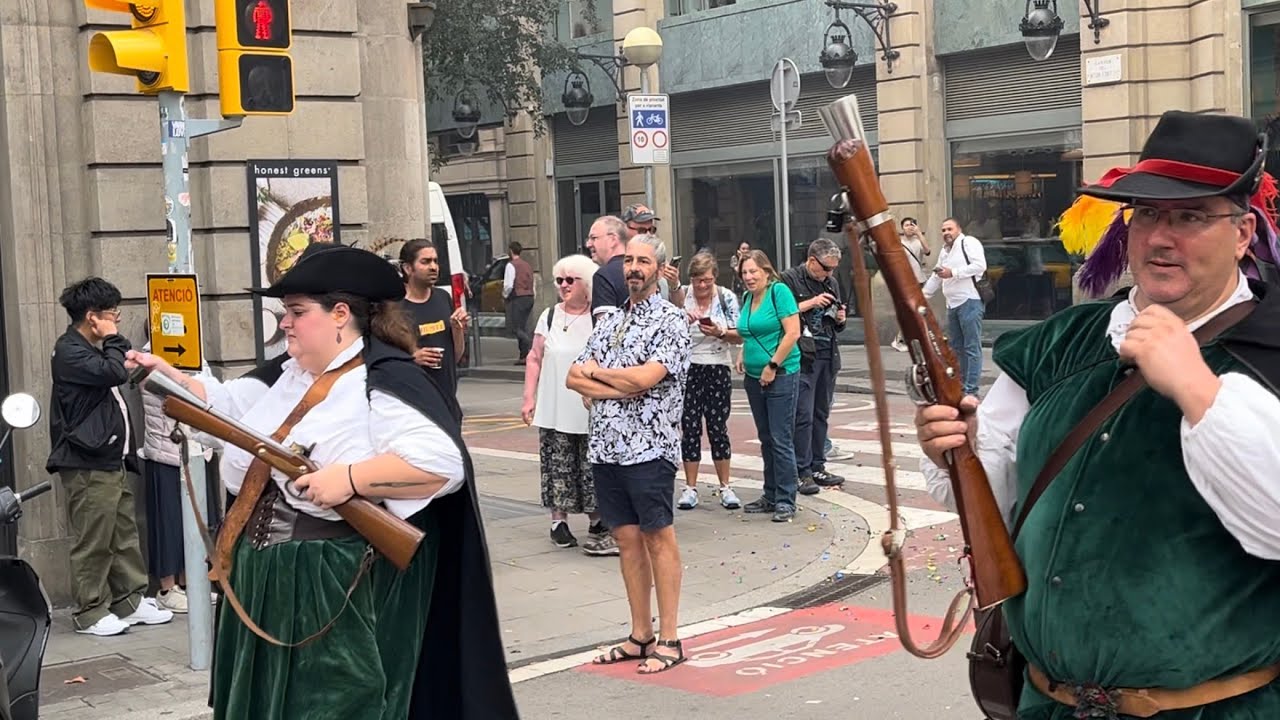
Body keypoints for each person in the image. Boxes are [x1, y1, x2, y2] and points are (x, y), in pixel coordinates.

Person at [915, 110, 1280, 719]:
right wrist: (960, 450)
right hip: (1047, 702)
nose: (1161, 237)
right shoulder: (1061, 342)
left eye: (1190, 217)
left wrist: (1197, 388)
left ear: (1243, 234)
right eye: (1147, 214)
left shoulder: (1270, 348)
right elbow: (994, 497)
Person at [126, 243, 518, 719]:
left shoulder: (381, 380)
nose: (285, 323)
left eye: (296, 312)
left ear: (340, 315)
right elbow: (224, 406)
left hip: (328, 579)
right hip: (262, 577)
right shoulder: (288, 375)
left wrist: (350, 478)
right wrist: (168, 376)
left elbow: (442, 464)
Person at [567, 234, 692, 675]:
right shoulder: (611, 320)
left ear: (659, 269)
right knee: (625, 539)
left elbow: (645, 379)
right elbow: (572, 377)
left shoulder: (671, 321)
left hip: (650, 448)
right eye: (629, 261)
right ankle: (641, 635)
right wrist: (617, 383)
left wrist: (600, 377)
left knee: (658, 536)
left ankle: (670, 639)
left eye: (643, 261)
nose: (634, 268)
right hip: (607, 448)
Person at [46, 277, 173, 636]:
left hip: (109, 456)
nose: (116, 319)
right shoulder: (69, 351)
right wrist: (116, 342)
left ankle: (129, 601)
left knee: (122, 533)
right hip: (86, 461)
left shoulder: (90, 348)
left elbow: (117, 371)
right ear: (92, 316)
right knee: (94, 539)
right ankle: (89, 612)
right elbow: (112, 373)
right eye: (112, 314)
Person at [521, 253, 607, 549]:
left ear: (587, 283)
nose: (564, 285)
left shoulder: (599, 318)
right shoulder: (549, 316)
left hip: (587, 407)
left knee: (590, 465)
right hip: (554, 406)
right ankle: (558, 522)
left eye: (571, 279)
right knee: (557, 465)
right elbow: (534, 358)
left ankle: (597, 519)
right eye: (559, 280)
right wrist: (528, 397)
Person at [734, 251, 802, 522]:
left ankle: (786, 499)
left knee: (780, 438)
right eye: (744, 273)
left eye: (753, 271)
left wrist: (772, 365)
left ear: (765, 271)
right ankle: (771, 494)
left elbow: (793, 332)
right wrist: (743, 351)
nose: (749, 277)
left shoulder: (779, 292)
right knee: (766, 438)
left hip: (781, 373)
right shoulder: (748, 297)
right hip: (753, 377)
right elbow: (750, 332)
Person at [675, 251, 743, 511]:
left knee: (717, 426)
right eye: (697, 280)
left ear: (715, 277)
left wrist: (720, 331)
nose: (702, 285)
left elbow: (739, 334)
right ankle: (690, 487)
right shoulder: (681, 295)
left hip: (717, 366)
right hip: (689, 367)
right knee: (690, 427)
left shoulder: (726, 297)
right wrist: (685, 319)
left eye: (707, 280)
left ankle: (725, 485)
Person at [782, 238, 848, 496]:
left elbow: (837, 323)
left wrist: (840, 318)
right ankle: (802, 471)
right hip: (802, 356)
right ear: (811, 261)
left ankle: (818, 465)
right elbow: (782, 314)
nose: (829, 274)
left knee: (821, 412)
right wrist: (811, 302)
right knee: (803, 415)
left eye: (833, 269)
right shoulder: (789, 280)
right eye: (826, 268)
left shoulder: (831, 282)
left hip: (828, 353)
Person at [922, 218, 987, 396]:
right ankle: (961, 386)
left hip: (969, 301)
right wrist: (922, 296)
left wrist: (954, 273)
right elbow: (936, 276)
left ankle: (971, 390)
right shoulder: (944, 251)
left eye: (949, 229)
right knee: (957, 348)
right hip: (952, 304)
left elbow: (980, 266)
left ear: (959, 229)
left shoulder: (969, 242)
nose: (946, 233)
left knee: (971, 347)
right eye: (943, 230)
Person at [400, 237, 469, 398]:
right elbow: (382, 359)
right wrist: (411, 359)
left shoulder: (443, 297)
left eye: (435, 261)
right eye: (425, 262)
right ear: (408, 268)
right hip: (414, 397)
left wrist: (457, 330)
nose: (433, 267)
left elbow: (455, 356)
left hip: (447, 396)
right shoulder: (395, 307)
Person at [892, 217, 931, 352]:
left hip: (919, 280)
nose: (909, 227)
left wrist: (919, 234)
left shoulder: (918, 241)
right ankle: (899, 339)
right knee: (910, 311)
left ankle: (913, 339)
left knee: (918, 311)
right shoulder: (898, 243)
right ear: (902, 228)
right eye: (906, 225)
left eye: (912, 225)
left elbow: (927, 251)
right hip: (905, 281)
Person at [503, 241, 536, 364]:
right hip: (529, 297)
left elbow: (508, 285)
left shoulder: (511, 265)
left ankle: (531, 345)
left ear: (511, 251)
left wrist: (505, 296)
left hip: (518, 298)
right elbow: (533, 282)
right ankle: (523, 356)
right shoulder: (527, 265)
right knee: (524, 326)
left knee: (516, 328)